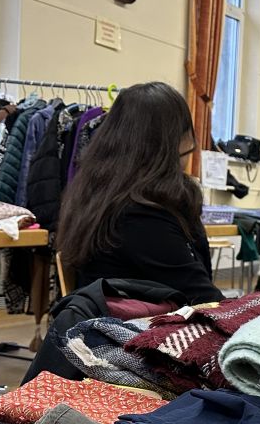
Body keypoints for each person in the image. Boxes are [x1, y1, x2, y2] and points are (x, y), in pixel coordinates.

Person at [57, 81, 224, 303]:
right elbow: (205, 300)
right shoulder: (140, 215)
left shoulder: (100, 193)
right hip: (140, 323)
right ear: (173, 143)